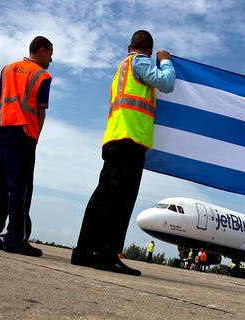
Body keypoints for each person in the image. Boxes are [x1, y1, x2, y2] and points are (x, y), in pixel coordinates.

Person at [70, 30, 175, 276]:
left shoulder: (121, 69)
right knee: (121, 198)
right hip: (131, 138)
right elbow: (167, 84)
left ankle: (83, 251)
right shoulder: (139, 62)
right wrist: (166, 61)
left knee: (102, 195)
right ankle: (107, 254)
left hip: (114, 137)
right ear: (149, 50)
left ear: (129, 46)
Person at [0, 36, 54, 257]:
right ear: (41, 51)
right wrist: (35, 138)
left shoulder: (7, 69)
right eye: (50, 54)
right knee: (19, 187)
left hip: (3, 129)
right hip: (24, 133)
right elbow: (41, 110)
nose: (51, 59)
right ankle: (14, 239)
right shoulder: (43, 75)